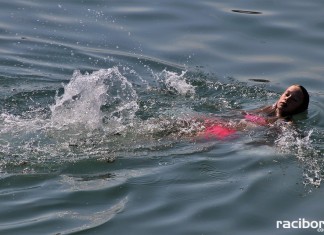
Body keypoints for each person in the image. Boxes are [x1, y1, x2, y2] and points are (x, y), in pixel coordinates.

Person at [201, 84, 309, 139]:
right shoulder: (267, 109)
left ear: (299, 108)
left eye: (294, 100)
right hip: (223, 124)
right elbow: (242, 113)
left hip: (229, 134)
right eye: (287, 94)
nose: (287, 99)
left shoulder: (286, 122)